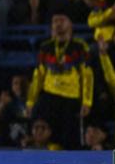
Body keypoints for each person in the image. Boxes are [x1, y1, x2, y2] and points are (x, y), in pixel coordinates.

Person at [26, 10, 93, 150]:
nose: (58, 24)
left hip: (71, 98)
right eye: (55, 21)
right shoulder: (46, 47)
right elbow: (38, 75)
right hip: (49, 95)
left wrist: (86, 101)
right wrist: (31, 101)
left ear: (70, 24)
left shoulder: (80, 46)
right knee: (46, 133)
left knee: (69, 136)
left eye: (61, 20)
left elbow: (87, 75)